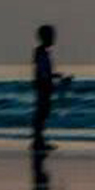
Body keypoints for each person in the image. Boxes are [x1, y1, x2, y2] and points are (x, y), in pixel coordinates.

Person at [30, 24, 70, 152]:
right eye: (52, 36)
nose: (54, 39)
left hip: (43, 86)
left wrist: (57, 75)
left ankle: (38, 140)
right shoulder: (41, 53)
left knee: (42, 113)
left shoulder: (42, 52)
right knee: (42, 114)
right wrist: (49, 80)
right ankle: (38, 141)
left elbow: (44, 71)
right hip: (43, 87)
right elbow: (42, 72)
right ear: (45, 37)